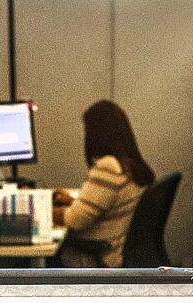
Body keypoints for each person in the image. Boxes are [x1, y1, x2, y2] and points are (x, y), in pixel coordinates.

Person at [52, 100, 155, 267]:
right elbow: (105, 204)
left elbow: (74, 220)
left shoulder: (108, 167)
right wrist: (72, 202)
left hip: (92, 258)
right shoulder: (128, 164)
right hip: (112, 250)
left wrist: (41, 210)